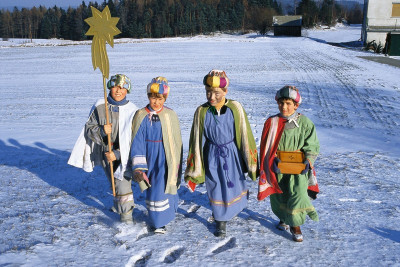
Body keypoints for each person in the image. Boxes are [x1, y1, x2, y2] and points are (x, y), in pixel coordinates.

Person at [185, 70, 258, 237]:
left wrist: (250, 160)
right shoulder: (201, 111)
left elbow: (245, 133)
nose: (211, 97)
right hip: (211, 154)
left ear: (225, 92)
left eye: (216, 93)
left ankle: (232, 210)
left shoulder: (235, 108)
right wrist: (196, 164)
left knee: (233, 184)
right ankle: (220, 220)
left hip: (232, 154)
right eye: (208, 92)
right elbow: (195, 138)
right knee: (215, 186)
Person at [68, 74, 138, 224]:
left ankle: (126, 218)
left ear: (127, 90)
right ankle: (118, 205)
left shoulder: (133, 111)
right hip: (106, 152)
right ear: (109, 88)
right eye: (114, 87)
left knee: (122, 182)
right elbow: (89, 128)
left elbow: (134, 138)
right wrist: (101, 130)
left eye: (122, 88)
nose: (118, 91)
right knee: (114, 182)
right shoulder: (101, 106)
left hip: (123, 155)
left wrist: (118, 154)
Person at [257, 85, 320, 242]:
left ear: (296, 105)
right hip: (278, 168)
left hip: (298, 170)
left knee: (297, 194)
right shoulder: (272, 122)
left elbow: (312, 146)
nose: (284, 107)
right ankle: (284, 218)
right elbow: (266, 146)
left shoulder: (305, 123)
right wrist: (272, 159)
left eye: (288, 103)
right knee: (280, 196)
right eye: (281, 103)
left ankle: (295, 225)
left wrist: (308, 161)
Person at [129, 77, 182, 234]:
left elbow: (176, 140)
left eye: (160, 98)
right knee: (153, 190)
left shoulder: (170, 115)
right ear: (148, 96)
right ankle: (157, 220)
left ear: (164, 98)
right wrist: (139, 167)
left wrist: (176, 163)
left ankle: (162, 220)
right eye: (153, 97)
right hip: (149, 157)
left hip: (166, 159)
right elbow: (137, 141)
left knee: (164, 186)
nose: (156, 102)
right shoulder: (141, 116)